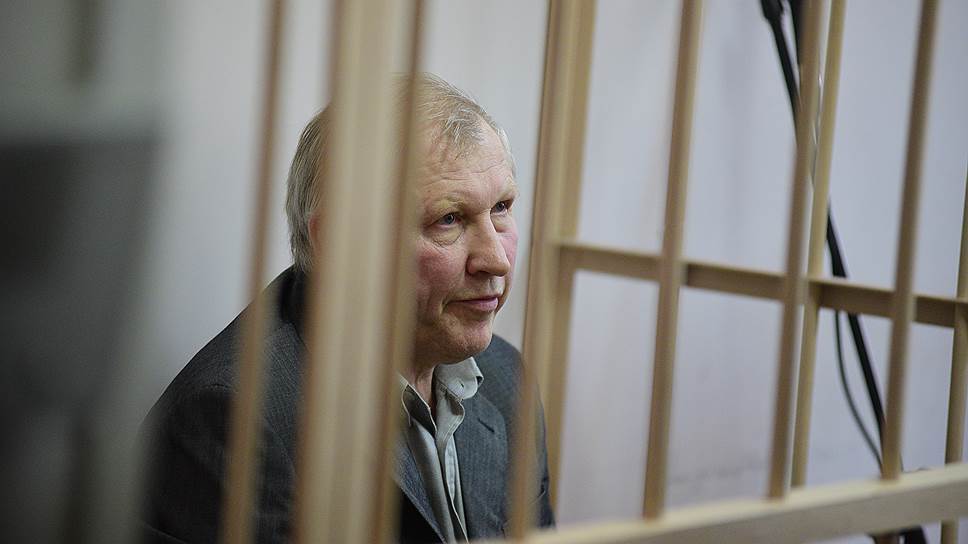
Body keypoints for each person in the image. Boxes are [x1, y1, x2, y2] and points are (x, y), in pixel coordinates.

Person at [140, 73, 554, 543]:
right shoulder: (236, 417)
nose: (497, 260)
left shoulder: (506, 379)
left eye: (501, 208)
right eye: (449, 219)